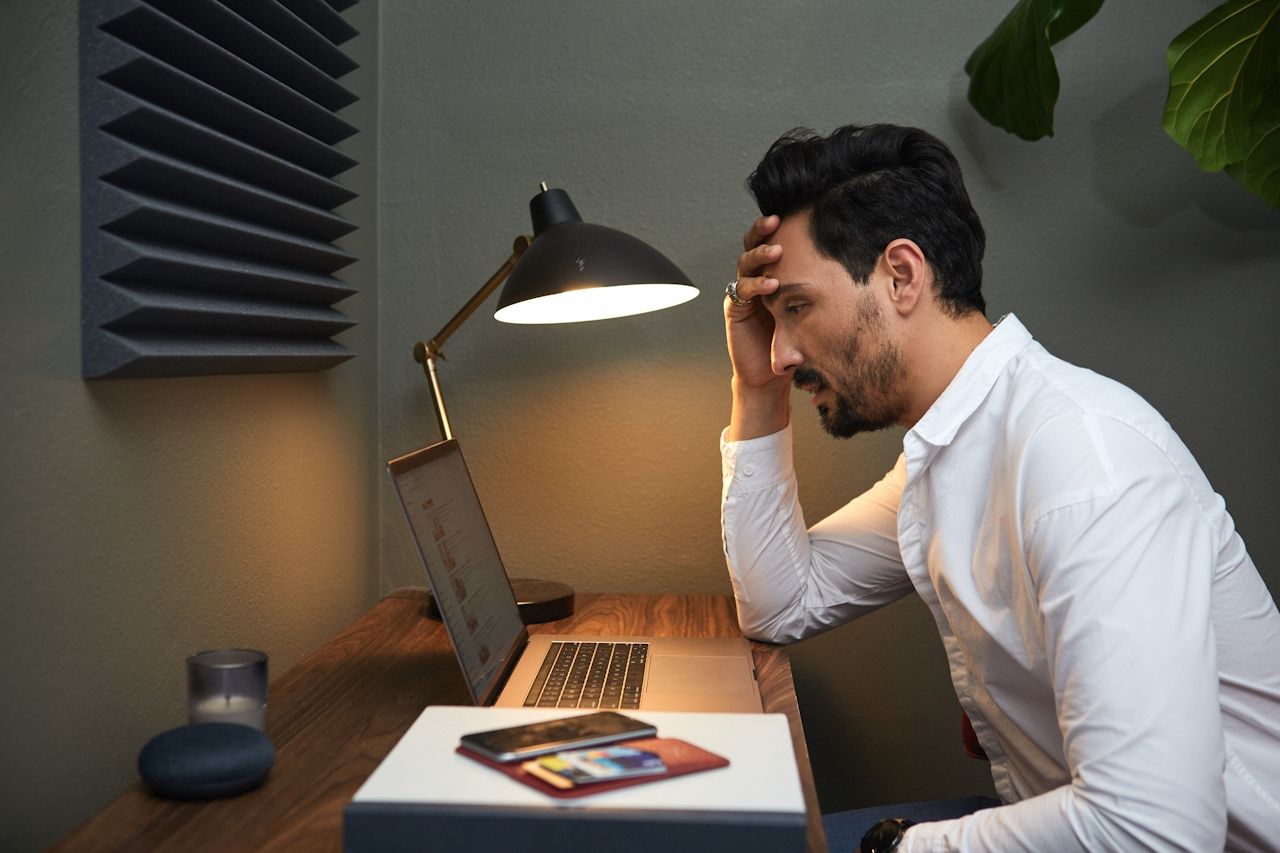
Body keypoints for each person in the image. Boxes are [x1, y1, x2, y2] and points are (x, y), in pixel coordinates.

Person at [719, 124, 1280, 852]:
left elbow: (1153, 830)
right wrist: (756, 389)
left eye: (795, 308)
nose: (782, 352)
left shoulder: (1082, 462)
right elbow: (781, 603)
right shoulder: (950, 455)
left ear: (902, 276)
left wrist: (901, 846)